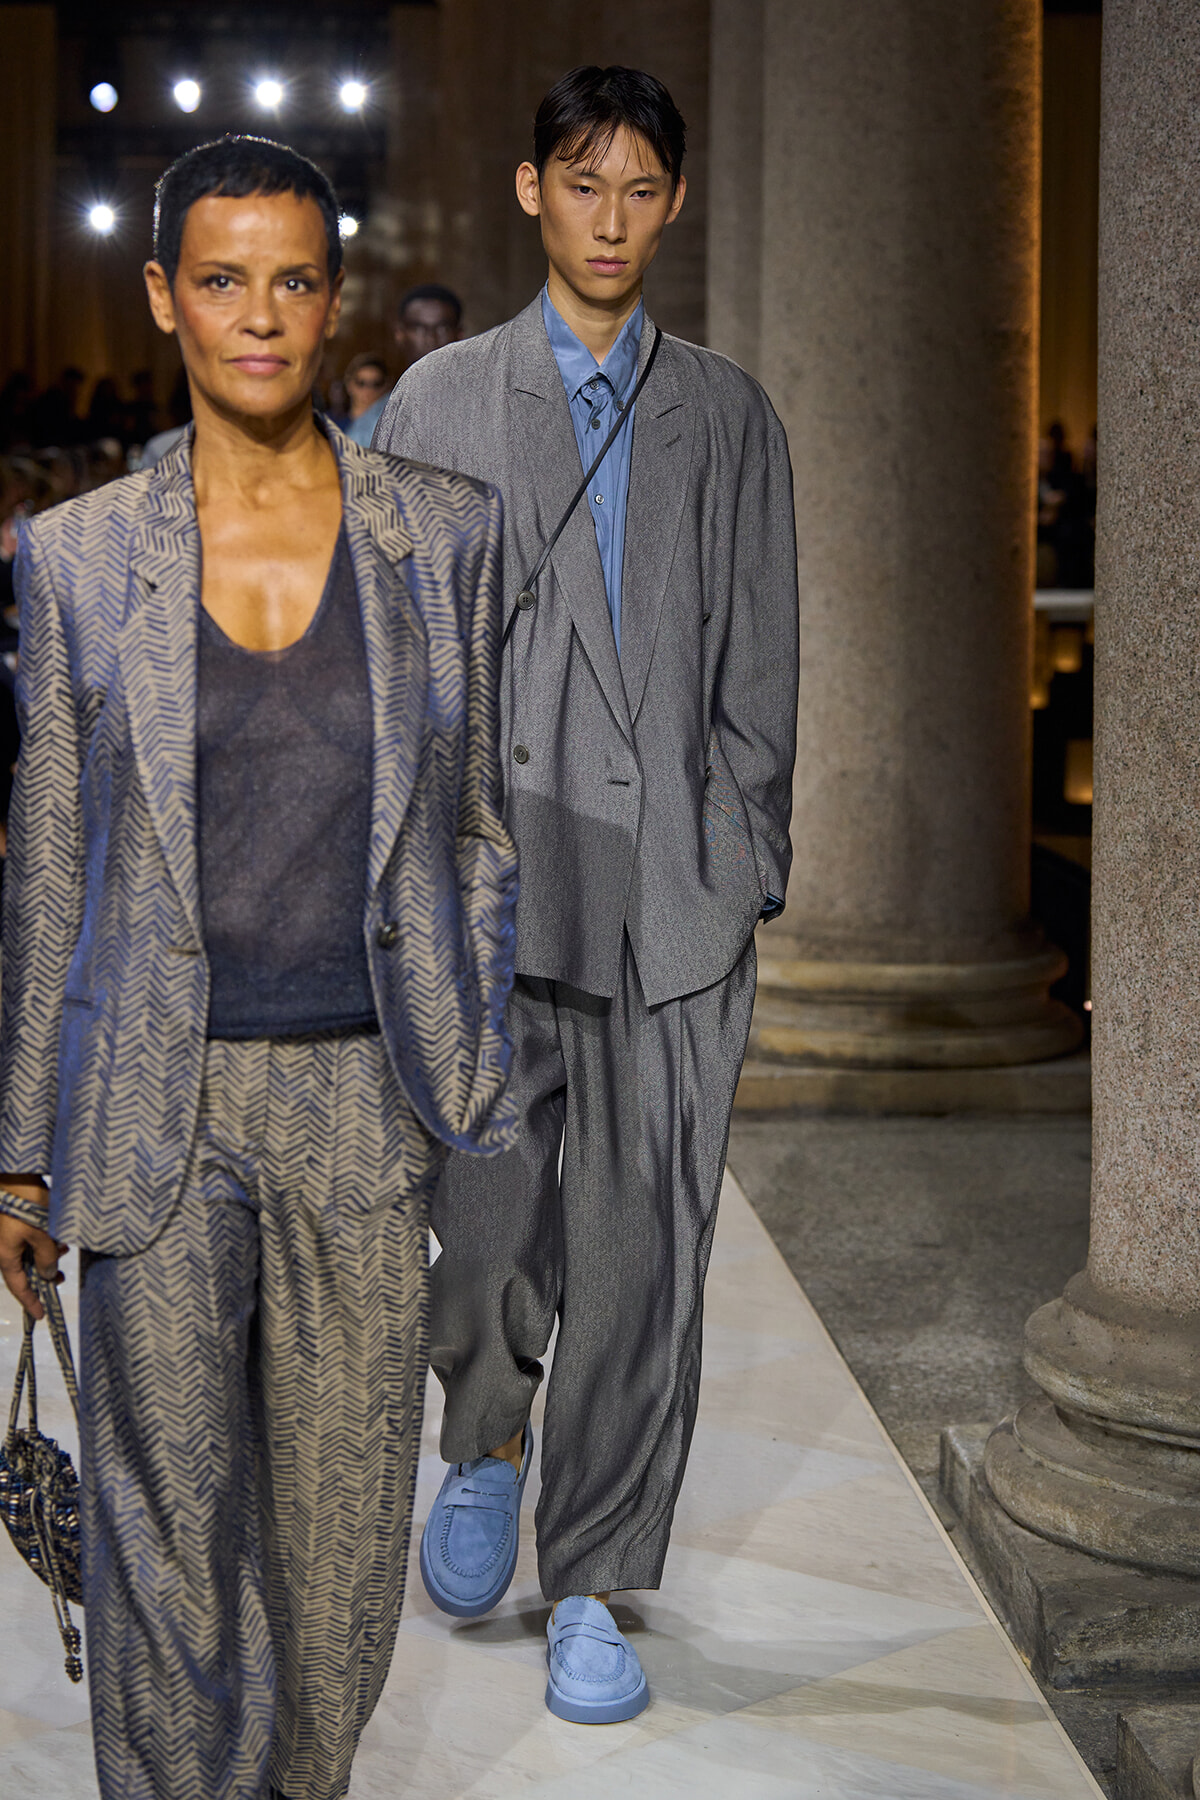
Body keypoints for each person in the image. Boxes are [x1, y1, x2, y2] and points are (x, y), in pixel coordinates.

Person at [0, 132, 517, 1800]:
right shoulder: (80, 559)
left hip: (368, 1107)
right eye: (221, 279)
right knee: (163, 1553)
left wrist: (478, 1082)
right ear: (164, 298)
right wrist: (20, 1153)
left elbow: (480, 837)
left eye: (293, 278)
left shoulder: (444, 541)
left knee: (343, 1556)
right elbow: (53, 870)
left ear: (335, 296)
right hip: (162, 1099)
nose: (260, 315)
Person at [374, 64, 797, 1724]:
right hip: (494, 887)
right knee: (484, 1228)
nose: (612, 215)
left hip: (675, 903)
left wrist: (744, 840)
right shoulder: (441, 400)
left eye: (641, 187)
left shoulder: (731, 411)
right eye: (583, 181)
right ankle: (481, 1436)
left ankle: (594, 1575)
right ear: (533, 193)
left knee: (644, 1256)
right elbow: (402, 660)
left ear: (672, 205)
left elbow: (762, 658)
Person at [345, 283, 464, 447]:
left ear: (460, 334)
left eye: (442, 327)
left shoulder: (487, 413)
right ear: (400, 333)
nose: (430, 338)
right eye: (418, 328)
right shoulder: (372, 425)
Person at [334, 349, 390, 432]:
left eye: (376, 384)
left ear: (386, 386)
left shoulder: (389, 429)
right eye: (361, 383)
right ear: (349, 384)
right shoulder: (334, 428)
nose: (368, 390)